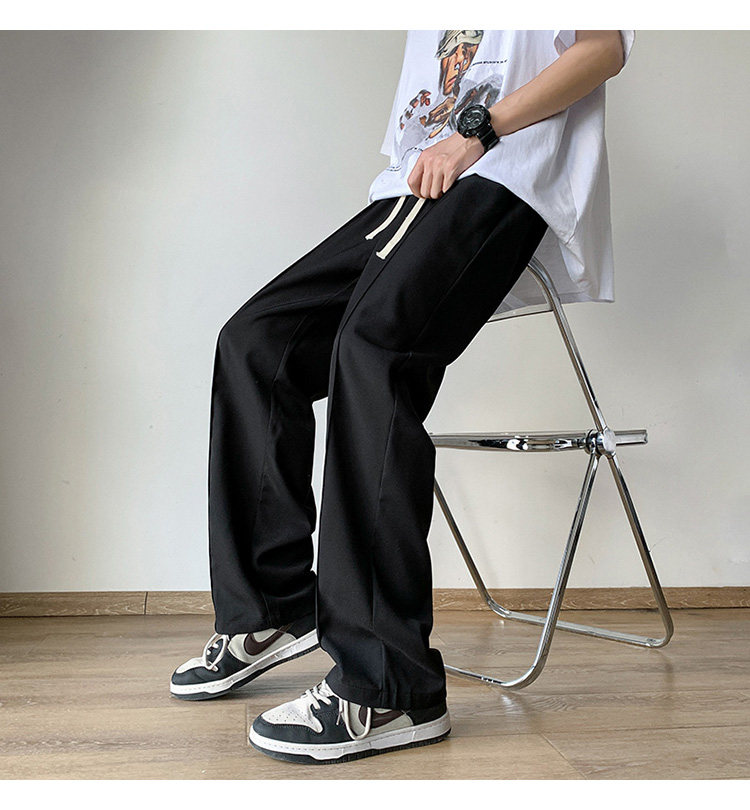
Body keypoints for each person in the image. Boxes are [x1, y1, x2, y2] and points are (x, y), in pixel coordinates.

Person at [170, 29, 634, 764]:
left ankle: (390, 684)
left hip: (505, 178)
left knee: (373, 351)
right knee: (254, 344)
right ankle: (271, 607)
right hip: (412, 190)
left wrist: (478, 132)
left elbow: (602, 48)